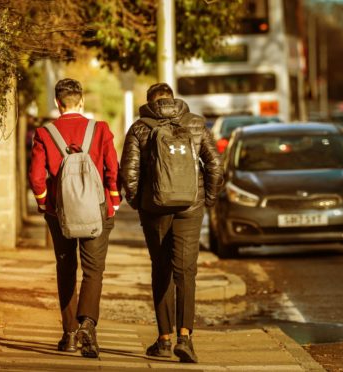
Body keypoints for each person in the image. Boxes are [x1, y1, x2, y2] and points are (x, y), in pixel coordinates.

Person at [120, 83, 223, 363]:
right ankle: (185, 338)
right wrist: (208, 199)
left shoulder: (140, 127)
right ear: (173, 99)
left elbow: (129, 174)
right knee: (185, 270)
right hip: (191, 205)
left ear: (150, 102)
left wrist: (139, 203)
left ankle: (164, 340)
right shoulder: (196, 124)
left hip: (154, 209)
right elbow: (214, 164)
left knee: (161, 268)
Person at [29, 78, 121, 358]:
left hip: (61, 214)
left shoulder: (45, 133)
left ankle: (69, 335)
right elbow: (112, 169)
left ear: (58, 104)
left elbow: (35, 177)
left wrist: (46, 204)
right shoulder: (100, 129)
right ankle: (88, 326)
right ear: (81, 101)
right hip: (97, 210)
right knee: (94, 271)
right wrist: (114, 201)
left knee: (66, 268)